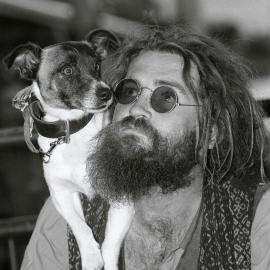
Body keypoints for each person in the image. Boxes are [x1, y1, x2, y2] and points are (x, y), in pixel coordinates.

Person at [20, 25, 270, 270]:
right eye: (129, 91)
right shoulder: (64, 219)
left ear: (211, 132)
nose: (137, 108)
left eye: (165, 97)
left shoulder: (258, 219)